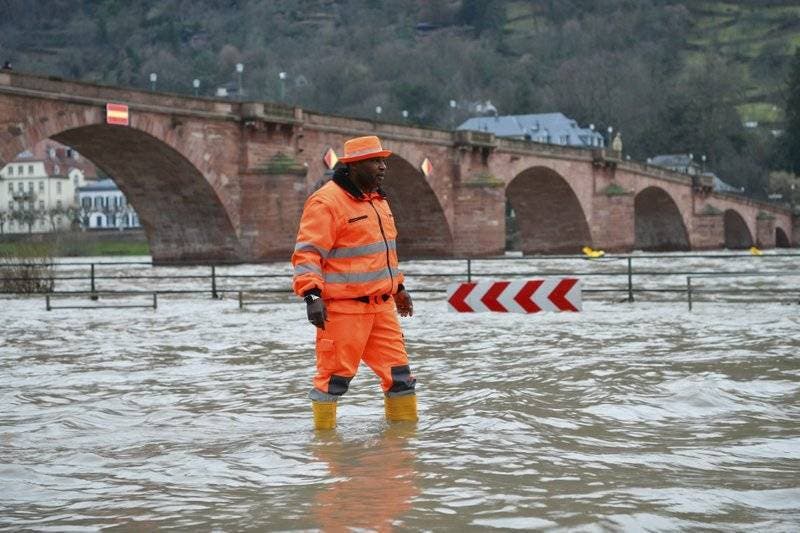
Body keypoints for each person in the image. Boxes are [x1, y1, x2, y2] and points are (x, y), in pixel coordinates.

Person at [292, 135, 417, 430]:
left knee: (401, 377)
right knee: (333, 380)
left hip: (382, 308)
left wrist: (398, 288)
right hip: (343, 310)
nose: (383, 167)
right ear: (354, 166)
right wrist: (311, 296)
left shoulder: (379, 202)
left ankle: (403, 446)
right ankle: (324, 448)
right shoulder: (326, 201)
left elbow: (385, 255)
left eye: (383, 161)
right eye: (376, 161)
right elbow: (307, 254)